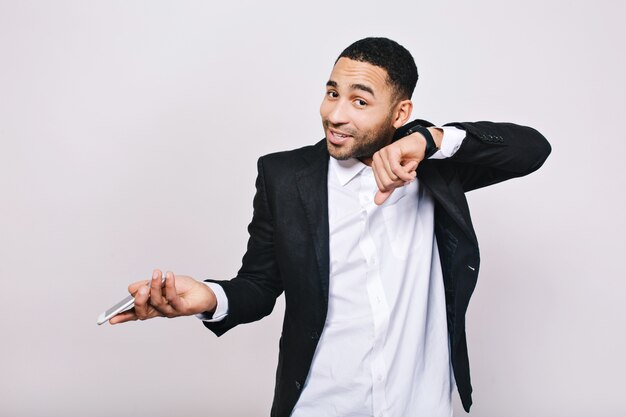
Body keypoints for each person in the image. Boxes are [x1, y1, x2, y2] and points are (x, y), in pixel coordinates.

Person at [110, 37, 551, 416]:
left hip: (418, 405)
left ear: (400, 112)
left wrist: (430, 139)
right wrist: (208, 296)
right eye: (331, 93)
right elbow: (260, 285)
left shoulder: (434, 170)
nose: (336, 114)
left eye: (360, 101)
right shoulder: (283, 177)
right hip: (322, 403)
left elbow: (531, 148)